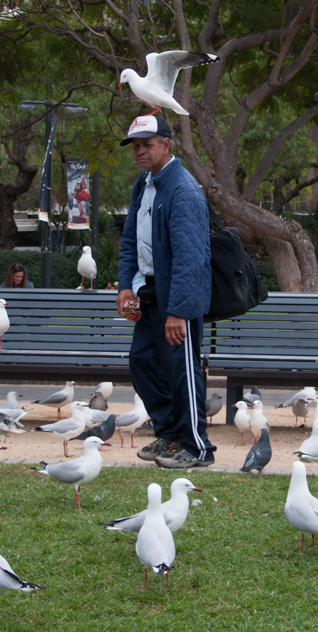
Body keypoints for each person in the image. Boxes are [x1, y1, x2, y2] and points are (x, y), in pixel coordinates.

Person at [116, 114, 215, 469]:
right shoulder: (144, 184)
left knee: (182, 371)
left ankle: (196, 447)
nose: (141, 152)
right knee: (141, 361)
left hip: (176, 299)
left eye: (147, 145)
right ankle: (170, 434)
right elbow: (130, 240)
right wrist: (125, 286)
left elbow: (192, 258)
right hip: (148, 295)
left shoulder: (183, 189)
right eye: (136, 146)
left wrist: (179, 311)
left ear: (166, 145)